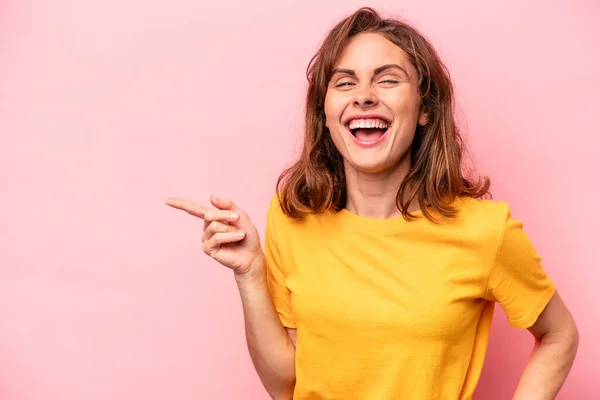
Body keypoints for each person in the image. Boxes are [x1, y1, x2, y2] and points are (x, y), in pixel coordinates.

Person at [165, 7, 579, 400]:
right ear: (325, 113)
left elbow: (559, 334)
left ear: (424, 109)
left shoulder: (485, 230)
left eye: (387, 79)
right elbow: (285, 386)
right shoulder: (292, 220)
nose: (363, 96)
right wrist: (251, 272)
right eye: (345, 82)